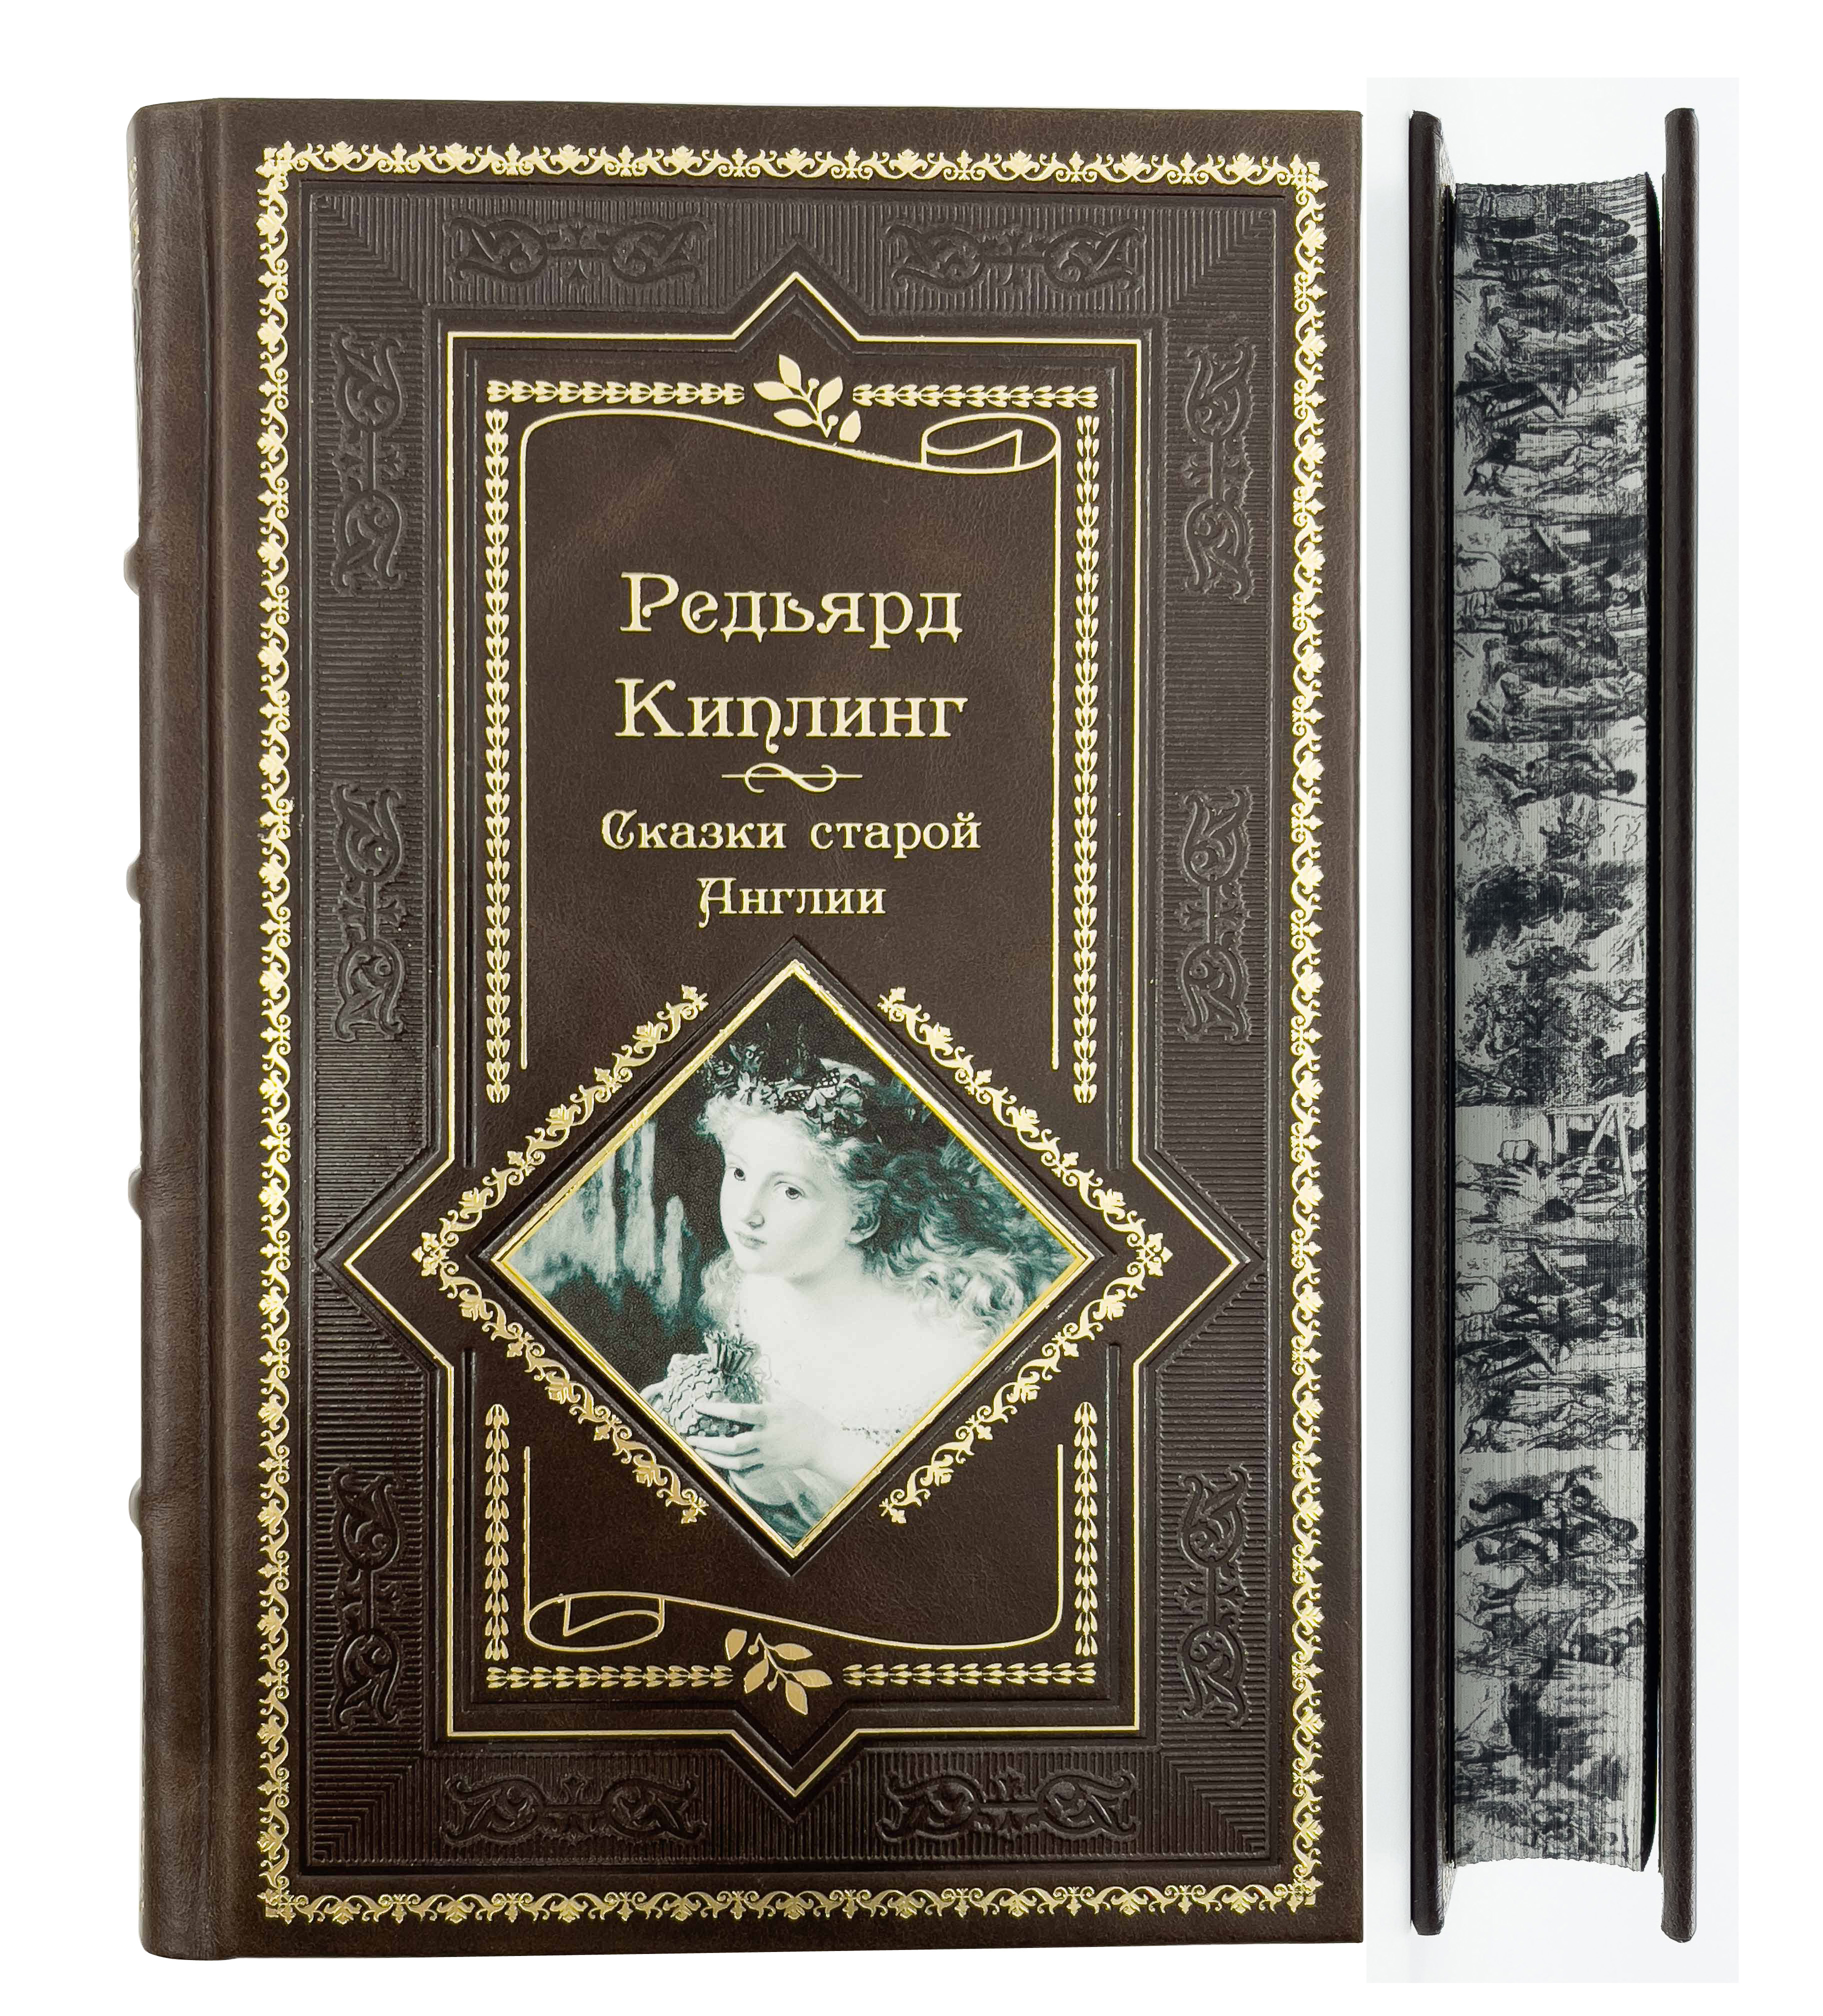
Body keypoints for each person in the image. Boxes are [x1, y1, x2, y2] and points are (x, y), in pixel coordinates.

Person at [642, 1033, 1064, 1538]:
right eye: (738, 1173)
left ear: (863, 1219)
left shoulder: (941, 1343)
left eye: (790, 1191)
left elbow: (977, 1515)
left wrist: (822, 1447)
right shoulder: (759, 1286)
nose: (747, 1212)